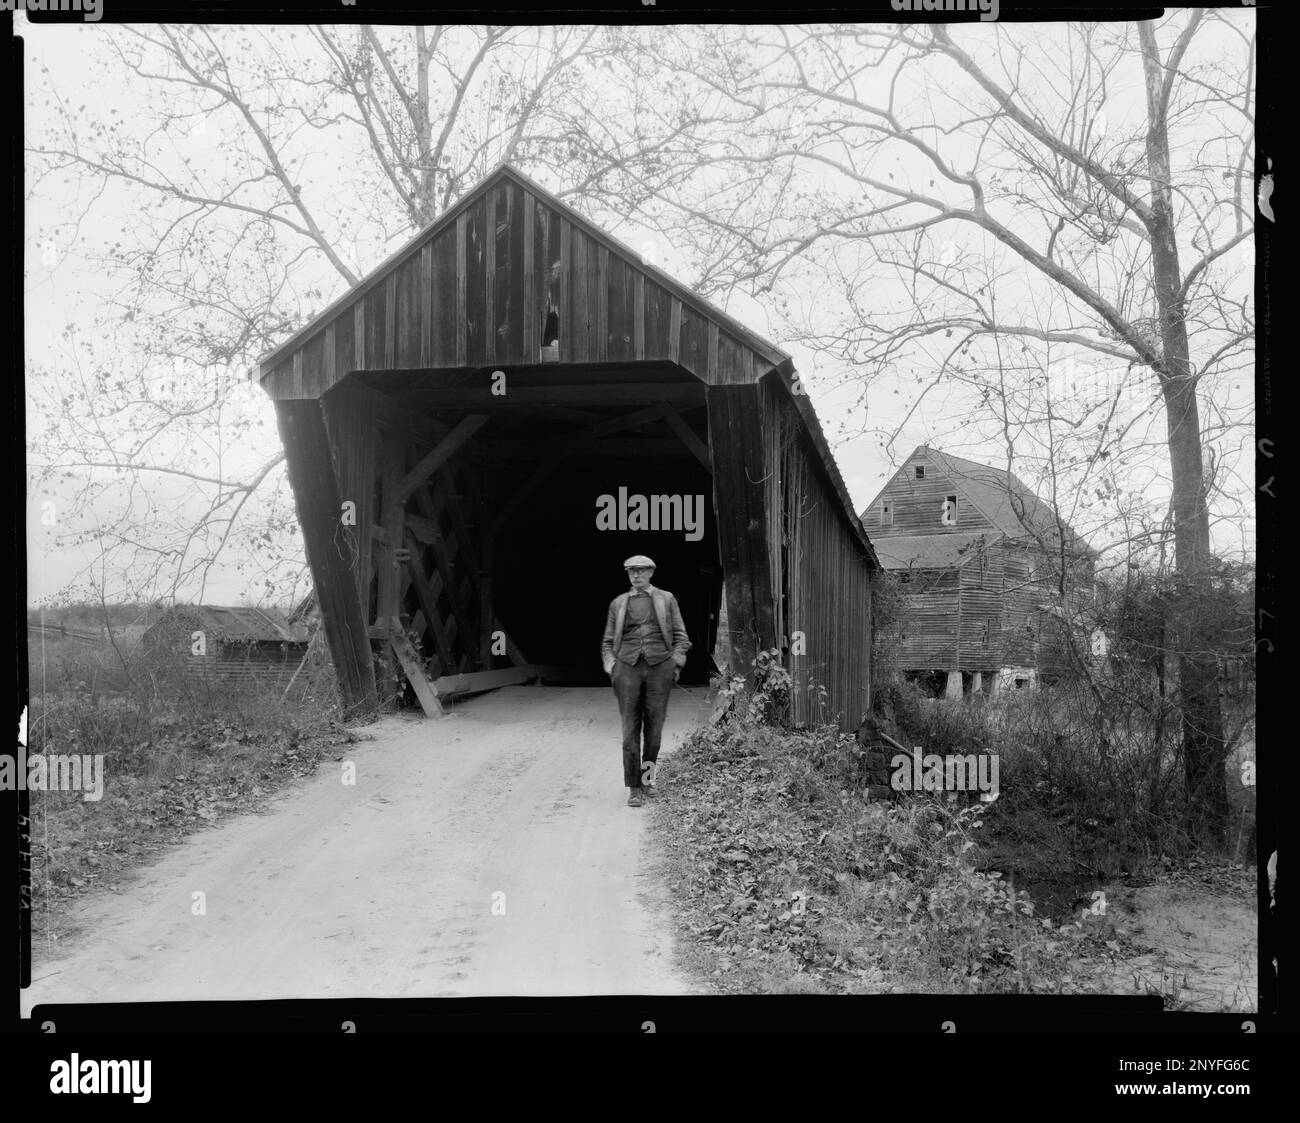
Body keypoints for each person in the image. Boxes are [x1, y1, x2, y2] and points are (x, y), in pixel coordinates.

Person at [601, 555, 691, 807]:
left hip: (659, 668)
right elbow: (608, 642)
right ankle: (633, 788)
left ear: (651, 572)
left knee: (654, 733)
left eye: (641, 571)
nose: (636, 575)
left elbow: (681, 637)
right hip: (626, 669)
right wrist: (612, 666)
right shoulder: (618, 604)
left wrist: (675, 661)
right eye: (631, 572)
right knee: (630, 731)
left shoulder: (667, 599)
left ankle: (648, 780)